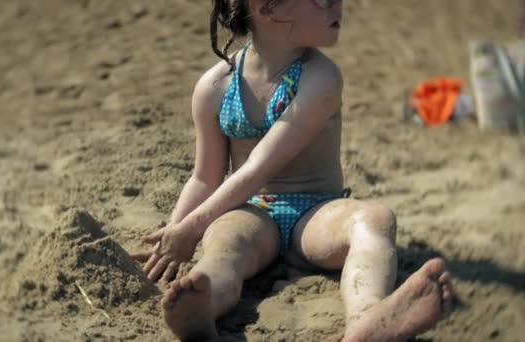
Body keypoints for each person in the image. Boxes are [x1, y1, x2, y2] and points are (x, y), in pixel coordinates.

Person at [131, 0, 453, 341]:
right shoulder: (214, 89)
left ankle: (367, 319)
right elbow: (204, 178)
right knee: (225, 247)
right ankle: (202, 309)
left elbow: (258, 166)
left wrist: (189, 229)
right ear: (266, 8)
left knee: (375, 220)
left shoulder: (322, 77)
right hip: (252, 213)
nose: (337, 4)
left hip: (316, 213)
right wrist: (175, 233)